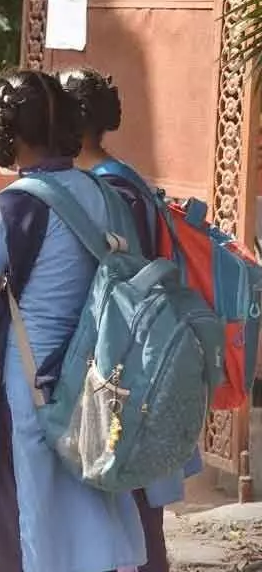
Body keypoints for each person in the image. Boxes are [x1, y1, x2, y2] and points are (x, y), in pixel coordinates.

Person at [0, 70, 146, 572]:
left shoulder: (11, 208)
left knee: (27, 506)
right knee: (89, 493)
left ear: (8, 132)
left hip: (27, 381)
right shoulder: (102, 194)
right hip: (96, 375)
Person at [60, 66, 203, 572]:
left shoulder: (104, 189)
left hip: (126, 354)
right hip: (145, 345)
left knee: (129, 490)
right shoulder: (125, 177)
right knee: (136, 493)